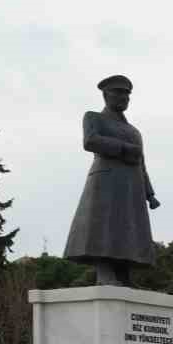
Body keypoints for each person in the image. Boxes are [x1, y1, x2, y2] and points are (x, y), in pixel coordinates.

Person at [63, 75, 160, 287]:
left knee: (128, 229)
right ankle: (104, 274)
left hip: (132, 185)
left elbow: (141, 163)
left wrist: (149, 193)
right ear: (106, 94)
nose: (123, 97)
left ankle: (124, 274)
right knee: (105, 227)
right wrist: (124, 148)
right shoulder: (94, 117)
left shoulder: (135, 131)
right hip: (106, 180)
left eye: (127, 94)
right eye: (118, 92)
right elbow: (90, 141)